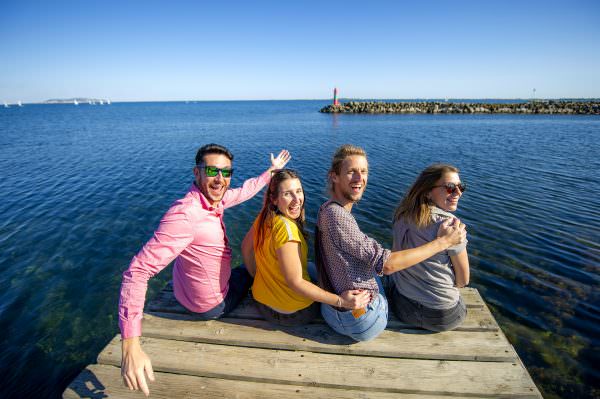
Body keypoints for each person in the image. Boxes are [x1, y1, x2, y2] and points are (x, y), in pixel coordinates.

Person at [119, 144, 291, 396]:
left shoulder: (210, 201)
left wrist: (271, 172)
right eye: (212, 171)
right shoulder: (186, 215)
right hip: (209, 305)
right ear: (196, 172)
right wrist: (131, 345)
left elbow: (243, 191)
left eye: (226, 172)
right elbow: (136, 272)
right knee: (253, 270)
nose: (220, 179)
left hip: (182, 293)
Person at [315, 144, 466, 341]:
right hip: (364, 319)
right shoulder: (338, 217)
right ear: (334, 176)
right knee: (387, 276)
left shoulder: (326, 208)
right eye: (352, 172)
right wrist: (443, 242)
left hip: (342, 310)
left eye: (364, 172)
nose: (360, 179)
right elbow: (387, 265)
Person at [241, 169, 370, 326]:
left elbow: (245, 247)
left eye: (298, 191)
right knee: (335, 287)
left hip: (262, 301)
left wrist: (257, 275)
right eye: (287, 194)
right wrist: (341, 301)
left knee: (313, 269)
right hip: (292, 313)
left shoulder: (264, 216)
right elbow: (295, 282)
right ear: (274, 199)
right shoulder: (287, 231)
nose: (297, 200)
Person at [389, 164, 469, 332]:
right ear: (427, 191)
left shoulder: (401, 215)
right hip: (443, 317)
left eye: (461, 187)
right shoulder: (452, 228)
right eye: (450, 188)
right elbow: (463, 281)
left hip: (405, 308)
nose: (458, 193)